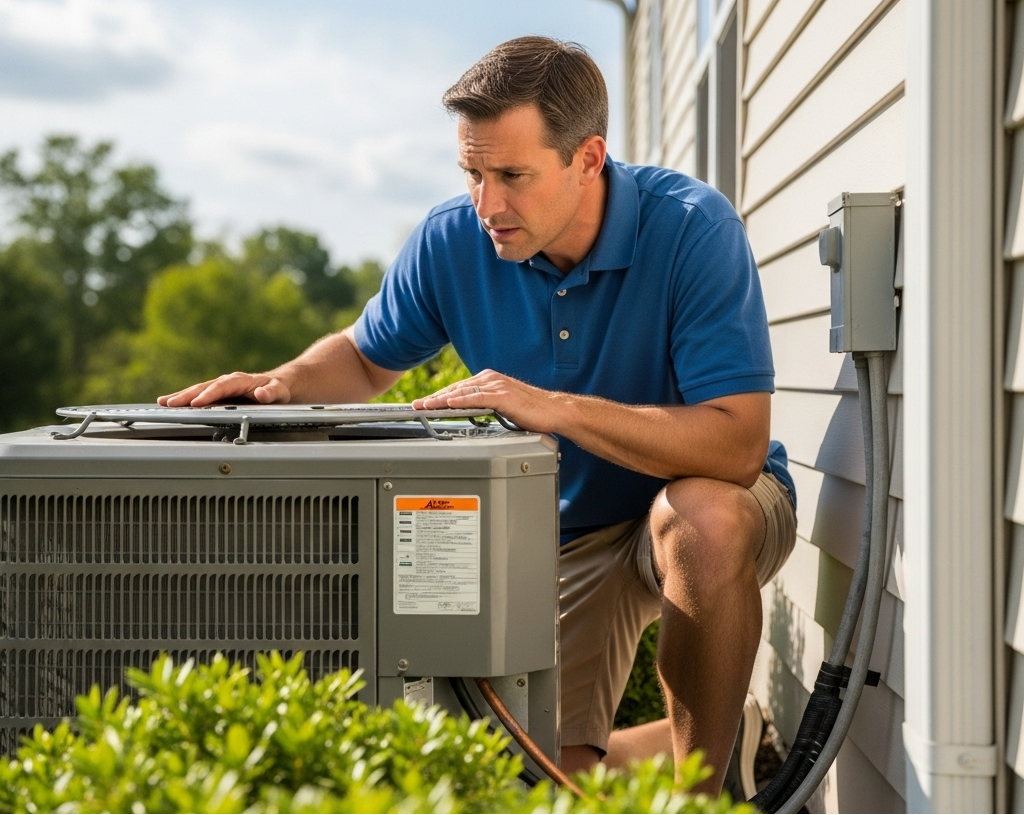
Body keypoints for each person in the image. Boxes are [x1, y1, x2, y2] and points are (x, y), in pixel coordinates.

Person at [158, 36, 797, 795]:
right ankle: (709, 739)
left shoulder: (694, 229)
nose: (488, 204)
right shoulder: (452, 240)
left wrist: (552, 408)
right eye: (472, 173)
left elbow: (735, 444)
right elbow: (365, 360)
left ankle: (701, 795)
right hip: (566, 525)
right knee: (534, 776)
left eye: (513, 176)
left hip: (704, 496)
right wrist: (279, 384)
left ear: (588, 159)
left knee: (701, 519)